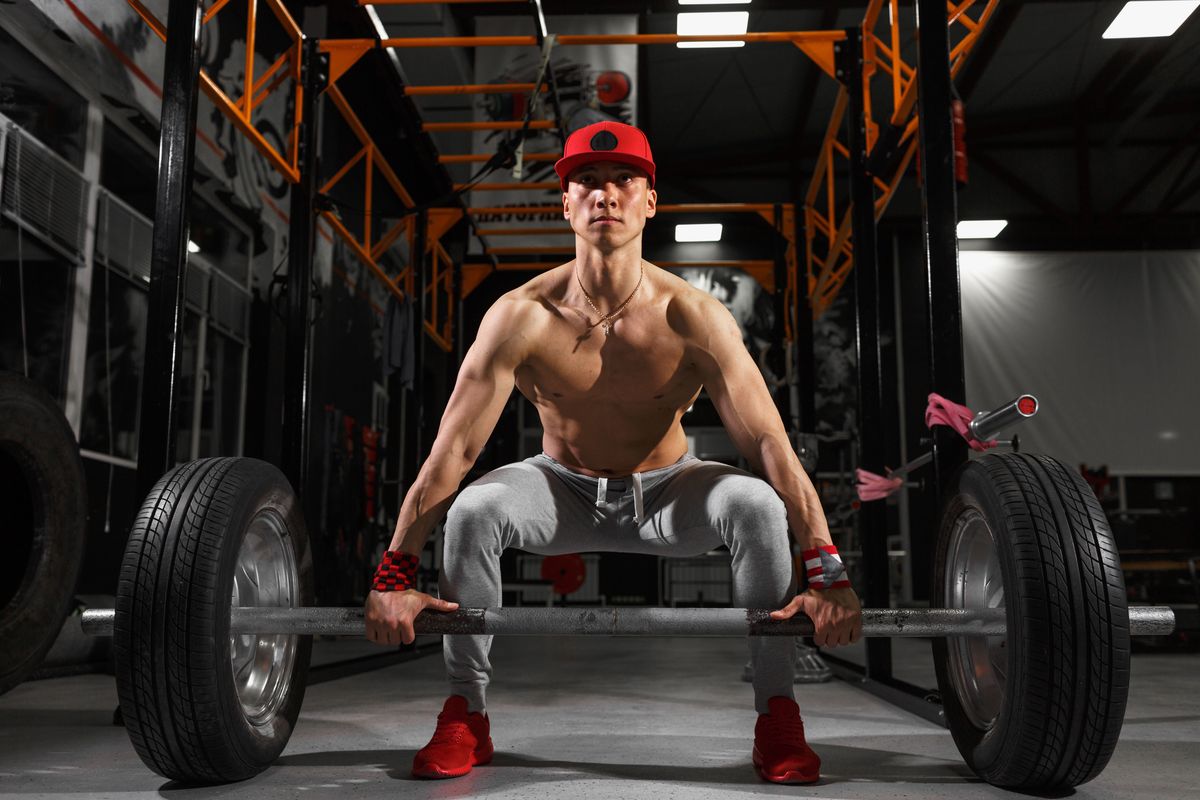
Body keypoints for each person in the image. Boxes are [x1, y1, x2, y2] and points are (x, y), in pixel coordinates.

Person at [364, 120, 863, 785]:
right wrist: (394, 573)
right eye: (586, 182)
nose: (606, 194)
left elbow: (769, 441)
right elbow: (453, 448)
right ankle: (466, 713)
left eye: (624, 179)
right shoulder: (521, 315)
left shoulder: (692, 315)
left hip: (670, 491)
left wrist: (827, 571)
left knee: (755, 504)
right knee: (475, 511)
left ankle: (777, 715)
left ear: (650, 200)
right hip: (558, 489)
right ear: (564, 202)